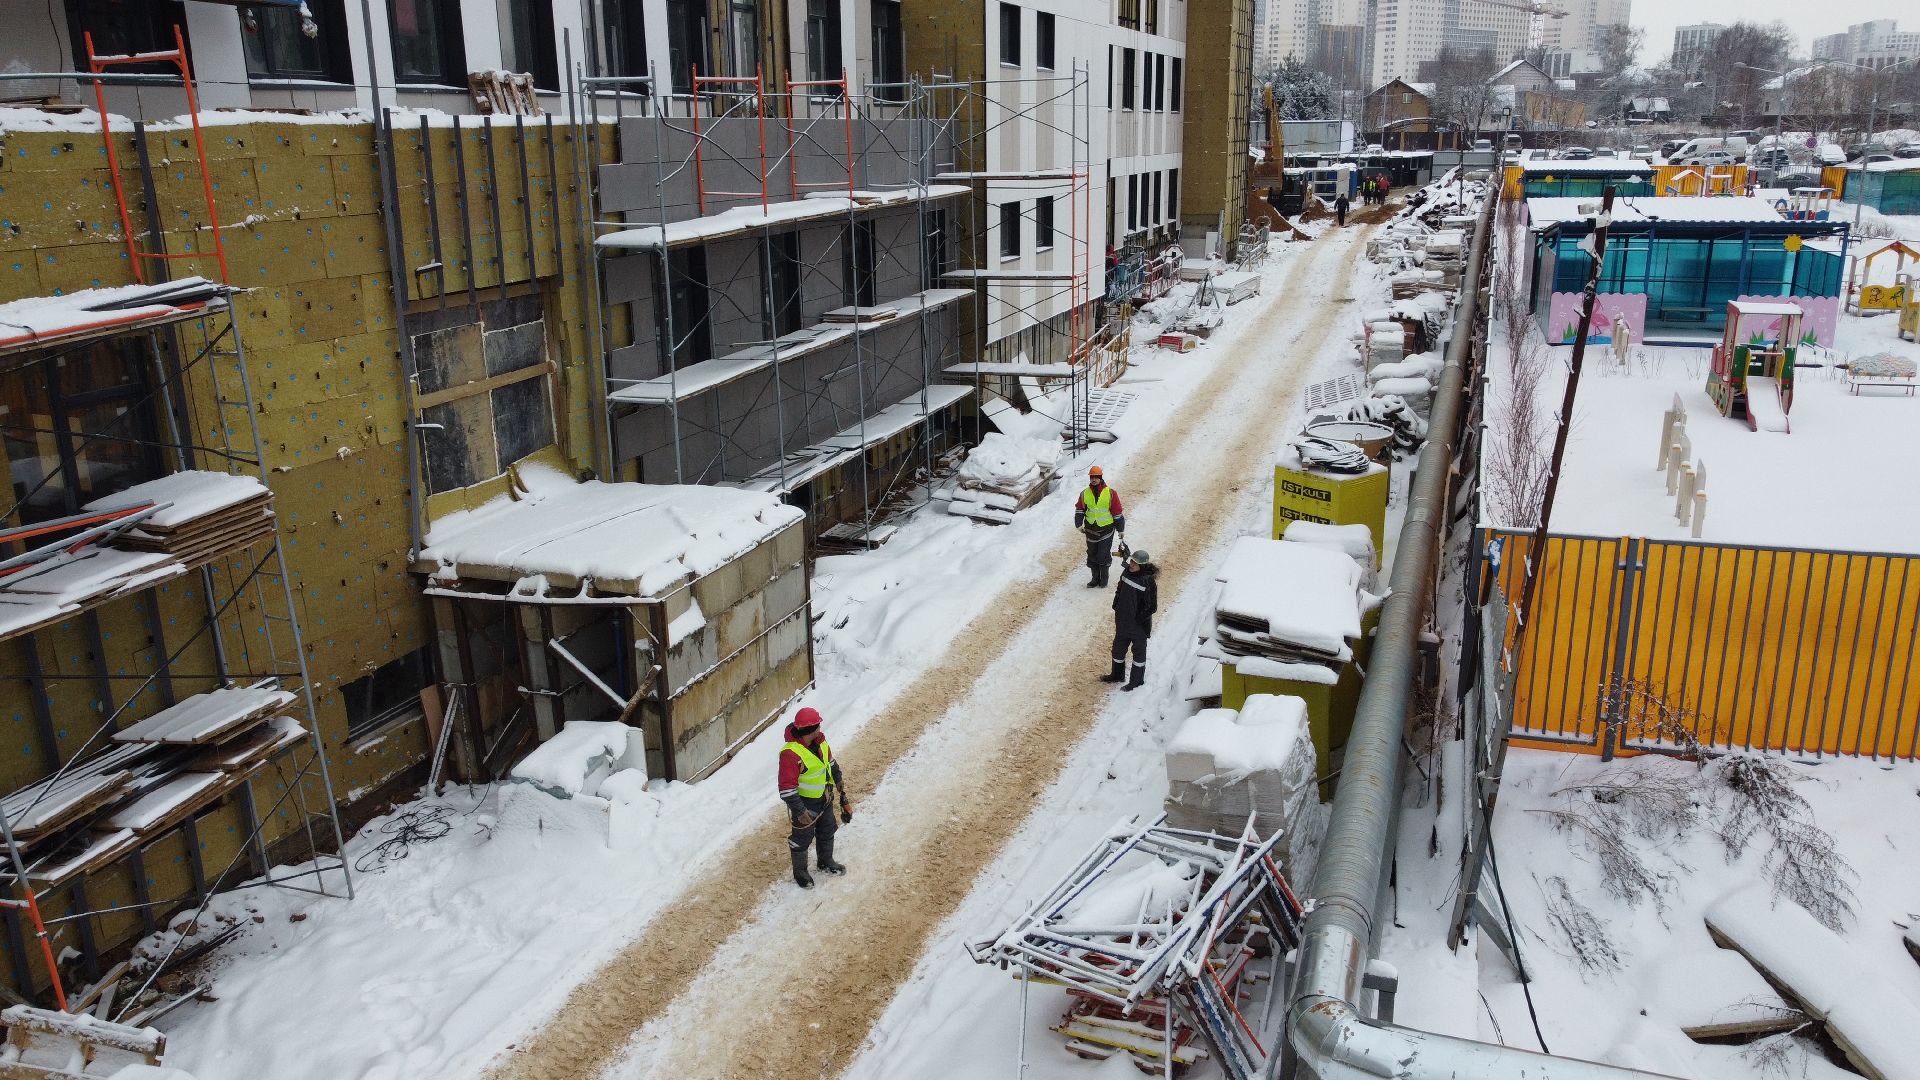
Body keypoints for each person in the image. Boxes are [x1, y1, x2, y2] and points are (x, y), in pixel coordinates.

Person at [777, 707, 853, 889]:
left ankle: (825, 861)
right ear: (811, 729)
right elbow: (786, 788)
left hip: (824, 798)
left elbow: (830, 763)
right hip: (805, 803)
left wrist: (838, 779)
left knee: (827, 829)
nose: (820, 729)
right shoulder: (791, 754)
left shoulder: (821, 742)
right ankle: (800, 872)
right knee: (802, 838)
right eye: (818, 726)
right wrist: (800, 811)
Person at [1102, 549, 1159, 691]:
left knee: (1138, 653)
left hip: (1138, 626)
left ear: (1143, 566)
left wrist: (1138, 619)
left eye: (1135, 563)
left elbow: (1152, 606)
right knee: (1117, 650)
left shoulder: (1148, 580)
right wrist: (1116, 605)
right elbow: (1119, 590)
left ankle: (1136, 681)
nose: (1131, 564)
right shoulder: (1126, 572)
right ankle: (1117, 675)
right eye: (1132, 561)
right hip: (1122, 621)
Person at [1073, 466, 1126, 587]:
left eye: (1096, 477)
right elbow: (1080, 509)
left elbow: (1117, 512)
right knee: (1092, 554)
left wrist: (1121, 529)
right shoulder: (1084, 493)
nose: (1094, 479)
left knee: (1103, 554)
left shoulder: (1111, 493)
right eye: (1092, 477)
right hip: (1090, 530)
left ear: (1101, 478)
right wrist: (1078, 524)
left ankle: (1104, 580)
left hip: (1106, 530)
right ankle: (1095, 579)